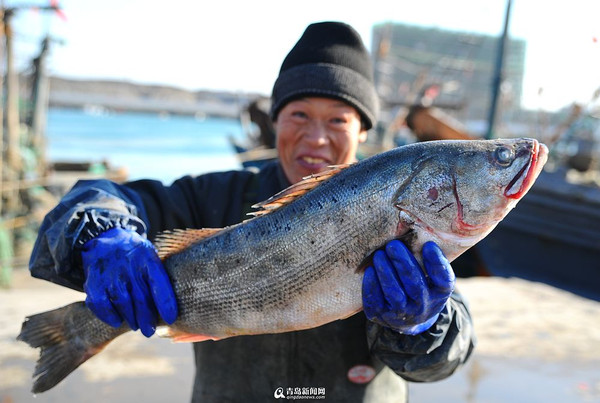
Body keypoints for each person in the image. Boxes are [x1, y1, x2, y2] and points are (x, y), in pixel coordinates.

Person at [29, 21, 475, 402]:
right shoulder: (215, 195)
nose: (316, 137)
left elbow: (446, 360)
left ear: (362, 129)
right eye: (299, 114)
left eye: (338, 119)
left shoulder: (406, 209)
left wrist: (424, 326)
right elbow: (102, 196)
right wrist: (103, 232)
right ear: (275, 119)